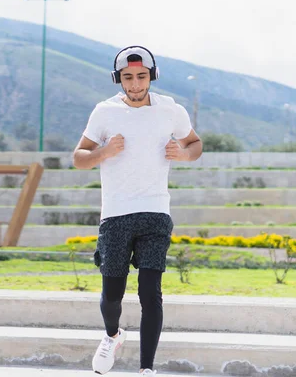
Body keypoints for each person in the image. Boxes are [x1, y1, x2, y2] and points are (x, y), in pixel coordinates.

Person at [72, 45, 203, 375]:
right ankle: (113, 335)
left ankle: (147, 369)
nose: (135, 84)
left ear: (152, 76)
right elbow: (79, 158)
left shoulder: (170, 110)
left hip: (156, 212)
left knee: (150, 292)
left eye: (141, 77)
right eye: (128, 78)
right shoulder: (104, 112)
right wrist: (104, 151)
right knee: (111, 294)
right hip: (116, 214)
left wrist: (184, 155)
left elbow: (195, 144)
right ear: (118, 79)